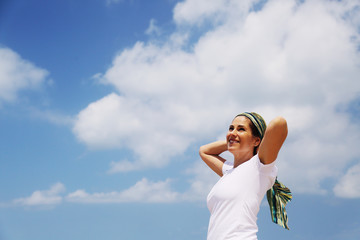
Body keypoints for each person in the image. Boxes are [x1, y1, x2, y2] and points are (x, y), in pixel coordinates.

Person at [199, 112, 290, 240]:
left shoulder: (258, 167)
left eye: (241, 129)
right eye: (231, 128)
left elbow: (279, 123)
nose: (233, 132)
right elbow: (204, 151)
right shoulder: (229, 171)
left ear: (257, 140)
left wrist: (249, 143)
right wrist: (234, 139)